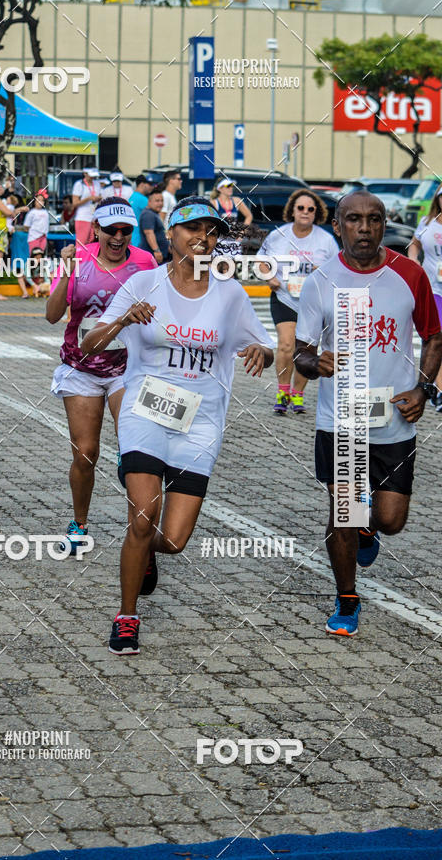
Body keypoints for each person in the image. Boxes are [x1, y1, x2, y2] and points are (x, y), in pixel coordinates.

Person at [81, 196, 274, 656]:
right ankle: (127, 617)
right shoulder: (143, 283)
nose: (201, 238)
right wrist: (124, 318)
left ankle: (146, 553)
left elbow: (264, 345)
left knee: (172, 540)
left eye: (210, 231)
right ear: (171, 234)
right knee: (143, 517)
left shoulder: (229, 294)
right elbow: (91, 343)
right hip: (145, 412)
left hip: (201, 421)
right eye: (191, 229)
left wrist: (261, 354)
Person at [294, 191, 442, 638]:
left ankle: (368, 531)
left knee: (390, 520)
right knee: (345, 513)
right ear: (337, 226)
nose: (364, 228)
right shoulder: (320, 281)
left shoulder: (410, 274)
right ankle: (347, 599)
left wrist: (424, 387)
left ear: (383, 225)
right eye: (354, 220)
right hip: (340, 419)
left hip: (394, 421)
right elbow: (300, 352)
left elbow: (435, 338)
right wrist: (311, 363)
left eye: (374, 220)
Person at [46, 197, 157, 555]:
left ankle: (140, 533)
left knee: (133, 450)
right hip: (81, 367)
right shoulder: (78, 260)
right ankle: (79, 525)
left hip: (128, 367)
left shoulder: (144, 262)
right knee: (86, 453)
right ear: (96, 230)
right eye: (111, 230)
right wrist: (66, 271)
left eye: (126, 231)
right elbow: (51, 315)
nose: (119, 237)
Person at [257, 188, 339, 414]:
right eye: (301, 208)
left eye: (310, 209)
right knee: (285, 344)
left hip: (313, 303)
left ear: (316, 213)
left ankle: (298, 395)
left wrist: (321, 271)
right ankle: (283, 392)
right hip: (284, 297)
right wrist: (269, 277)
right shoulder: (278, 235)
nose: (305, 212)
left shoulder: (326, 240)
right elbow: (260, 261)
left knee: (306, 350)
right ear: (292, 210)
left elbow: (338, 270)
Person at [407, 182, 442, 410]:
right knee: (436, 336)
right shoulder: (427, 222)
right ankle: (437, 390)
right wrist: (413, 260)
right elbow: (414, 243)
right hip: (433, 289)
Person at [0, 177, 27, 299]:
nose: (0, 187)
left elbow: (5, 213)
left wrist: (18, 209)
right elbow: (9, 213)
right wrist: (19, 209)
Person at [71, 167, 102, 246]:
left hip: (94, 218)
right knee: (81, 244)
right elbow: (75, 203)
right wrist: (88, 198)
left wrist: (98, 199)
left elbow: (99, 196)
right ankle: (80, 258)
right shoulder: (79, 184)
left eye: (94, 176)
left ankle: (90, 258)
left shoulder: (97, 183)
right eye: (91, 175)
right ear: (85, 173)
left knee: (93, 243)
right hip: (83, 217)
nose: (93, 177)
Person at [139, 187, 170, 263]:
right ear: (149, 202)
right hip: (153, 257)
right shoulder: (148, 214)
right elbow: (149, 233)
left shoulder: (154, 213)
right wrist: (156, 251)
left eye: (162, 201)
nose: (160, 203)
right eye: (157, 201)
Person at [24, 189, 50, 255]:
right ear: (34, 201)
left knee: (41, 255)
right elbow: (26, 226)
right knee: (34, 255)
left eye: (42, 200)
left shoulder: (46, 212)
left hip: (43, 237)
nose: (40, 202)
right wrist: (34, 232)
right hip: (34, 237)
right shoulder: (31, 212)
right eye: (38, 200)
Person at [129, 175, 153, 247]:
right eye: (149, 184)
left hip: (132, 238)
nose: (152, 187)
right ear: (142, 184)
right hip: (140, 241)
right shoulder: (143, 200)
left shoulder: (132, 197)